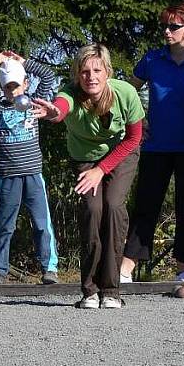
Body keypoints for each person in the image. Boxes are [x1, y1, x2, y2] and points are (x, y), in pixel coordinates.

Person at [33, 44, 145, 308]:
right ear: (77, 75)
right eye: (84, 71)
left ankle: (112, 290)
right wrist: (54, 113)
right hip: (84, 158)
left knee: (114, 207)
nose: (91, 76)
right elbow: (61, 106)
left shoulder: (125, 93)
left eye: (97, 70)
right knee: (93, 210)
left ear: (107, 72)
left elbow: (134, 138)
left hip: (121, 154)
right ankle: (90, 290)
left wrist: (102, 169)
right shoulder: (70, 93)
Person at [119, 3, 184, 283]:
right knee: (146, 206)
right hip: (156, 145)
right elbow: (127, 91)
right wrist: (136, 121)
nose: (167, 31)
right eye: (165, 25)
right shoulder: (152, 59)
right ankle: (127, 268)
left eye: (174, 26)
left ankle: (183, 270)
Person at [0, 50, 59, 285]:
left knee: (41, 223)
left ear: (26, 84)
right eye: (8, 87)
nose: (13, 90)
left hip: (33, 175)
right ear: (2, 88)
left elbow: (48, 76)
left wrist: (23, 62)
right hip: (8, 176)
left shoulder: (34, 104)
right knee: (5, 224)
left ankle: (49, 268)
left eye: (17, 85)